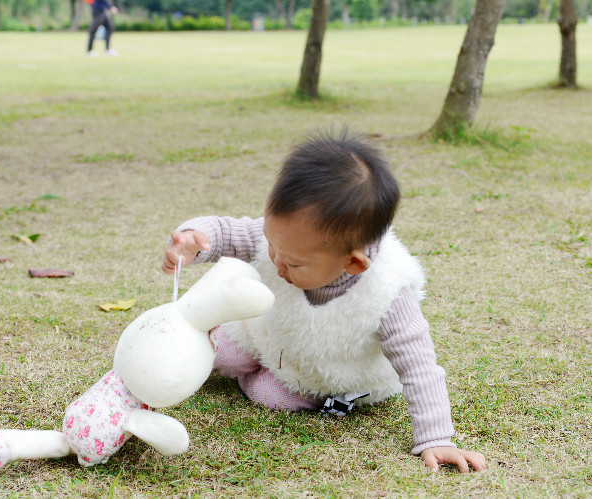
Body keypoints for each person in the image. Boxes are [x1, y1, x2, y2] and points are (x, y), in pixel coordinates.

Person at [162, 129, 487, 473]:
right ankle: (246, 362)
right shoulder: (288, 239)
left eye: (294, 262)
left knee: (268, 394)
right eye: (273, 243)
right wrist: (194, 240)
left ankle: (267, 380)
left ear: (353, 263)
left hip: (326, 371)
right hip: (273, 334)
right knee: (218, 350)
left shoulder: (387, 293)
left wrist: (436, 438)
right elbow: (225, 232)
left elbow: (419, 366)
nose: (276, 261)